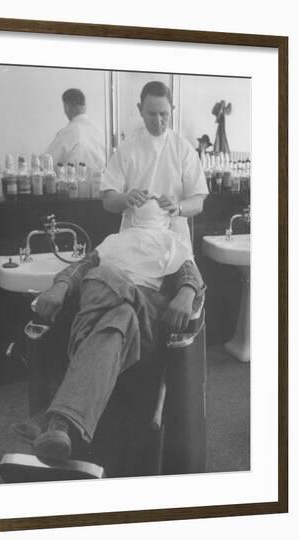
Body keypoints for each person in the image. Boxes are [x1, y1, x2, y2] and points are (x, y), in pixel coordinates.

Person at [14, 81, 208, 461]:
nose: (158, 120)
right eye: (151, 113)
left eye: (164, 114)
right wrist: (59, 285)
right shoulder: (118, 236)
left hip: (151, 267)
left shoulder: (171, 234)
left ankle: (52, 417)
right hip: (125, 306)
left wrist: (185, 289)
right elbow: (101, 221)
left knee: (109, 289)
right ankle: (60, 427)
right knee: (117, 319)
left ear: (172, 111)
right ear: (140, 110)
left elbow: (190, 270)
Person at [44, 88, 106, 171]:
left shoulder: (69, 132)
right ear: (85, 106)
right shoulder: (99, 131)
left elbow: (46, 162)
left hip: (73, 182)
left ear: (66, 107)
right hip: (99, 182)